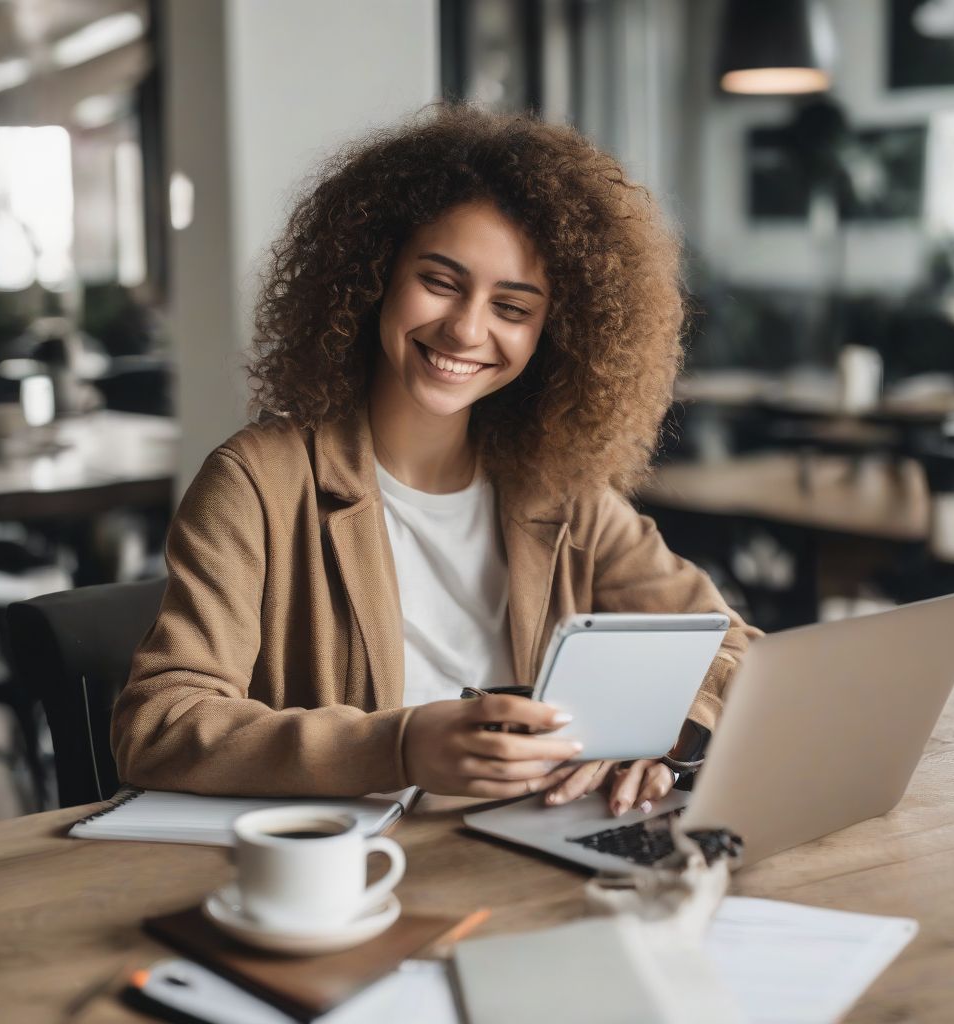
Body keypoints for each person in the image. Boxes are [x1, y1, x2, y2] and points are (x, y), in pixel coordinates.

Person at [112, 105, 760, 817]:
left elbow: (733, 646)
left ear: (555, 333)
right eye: (442, 281)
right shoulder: (258, 482)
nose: (467, 328)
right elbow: (160, 722)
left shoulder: (560, 490)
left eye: (513, 307)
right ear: (373, 273)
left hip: (530, 839)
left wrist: (667, 728)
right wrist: (399, 747)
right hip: (360, 867)